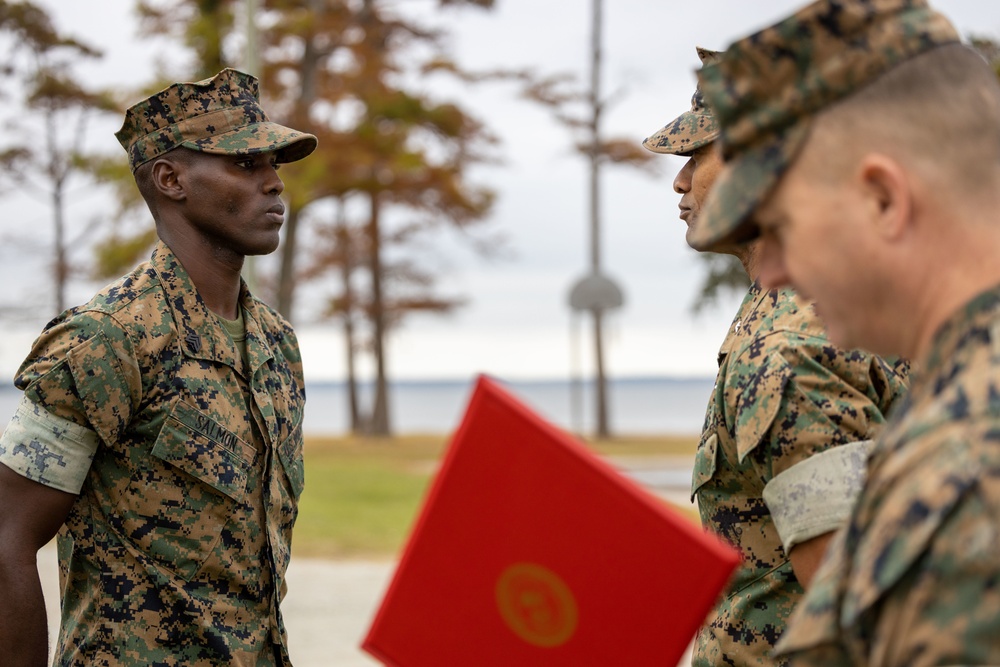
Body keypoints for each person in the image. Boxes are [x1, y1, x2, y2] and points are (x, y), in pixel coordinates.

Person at [690, 0, 1000, 664]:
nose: (769, 269)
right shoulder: (951, 412)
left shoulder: (967, 474)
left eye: (782, 227)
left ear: (882, 199)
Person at [0, 68, 317, 666]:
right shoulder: (107, 341)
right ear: (171, 179)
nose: (275, 184)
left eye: (273, 164)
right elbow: (6, 538)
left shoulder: (276, 345)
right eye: (245, 164)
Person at [642, 47, 909, 666]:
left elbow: (859, 606)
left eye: (696, 157)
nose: (679, 182)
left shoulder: (792, 350)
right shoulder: (832, 303)